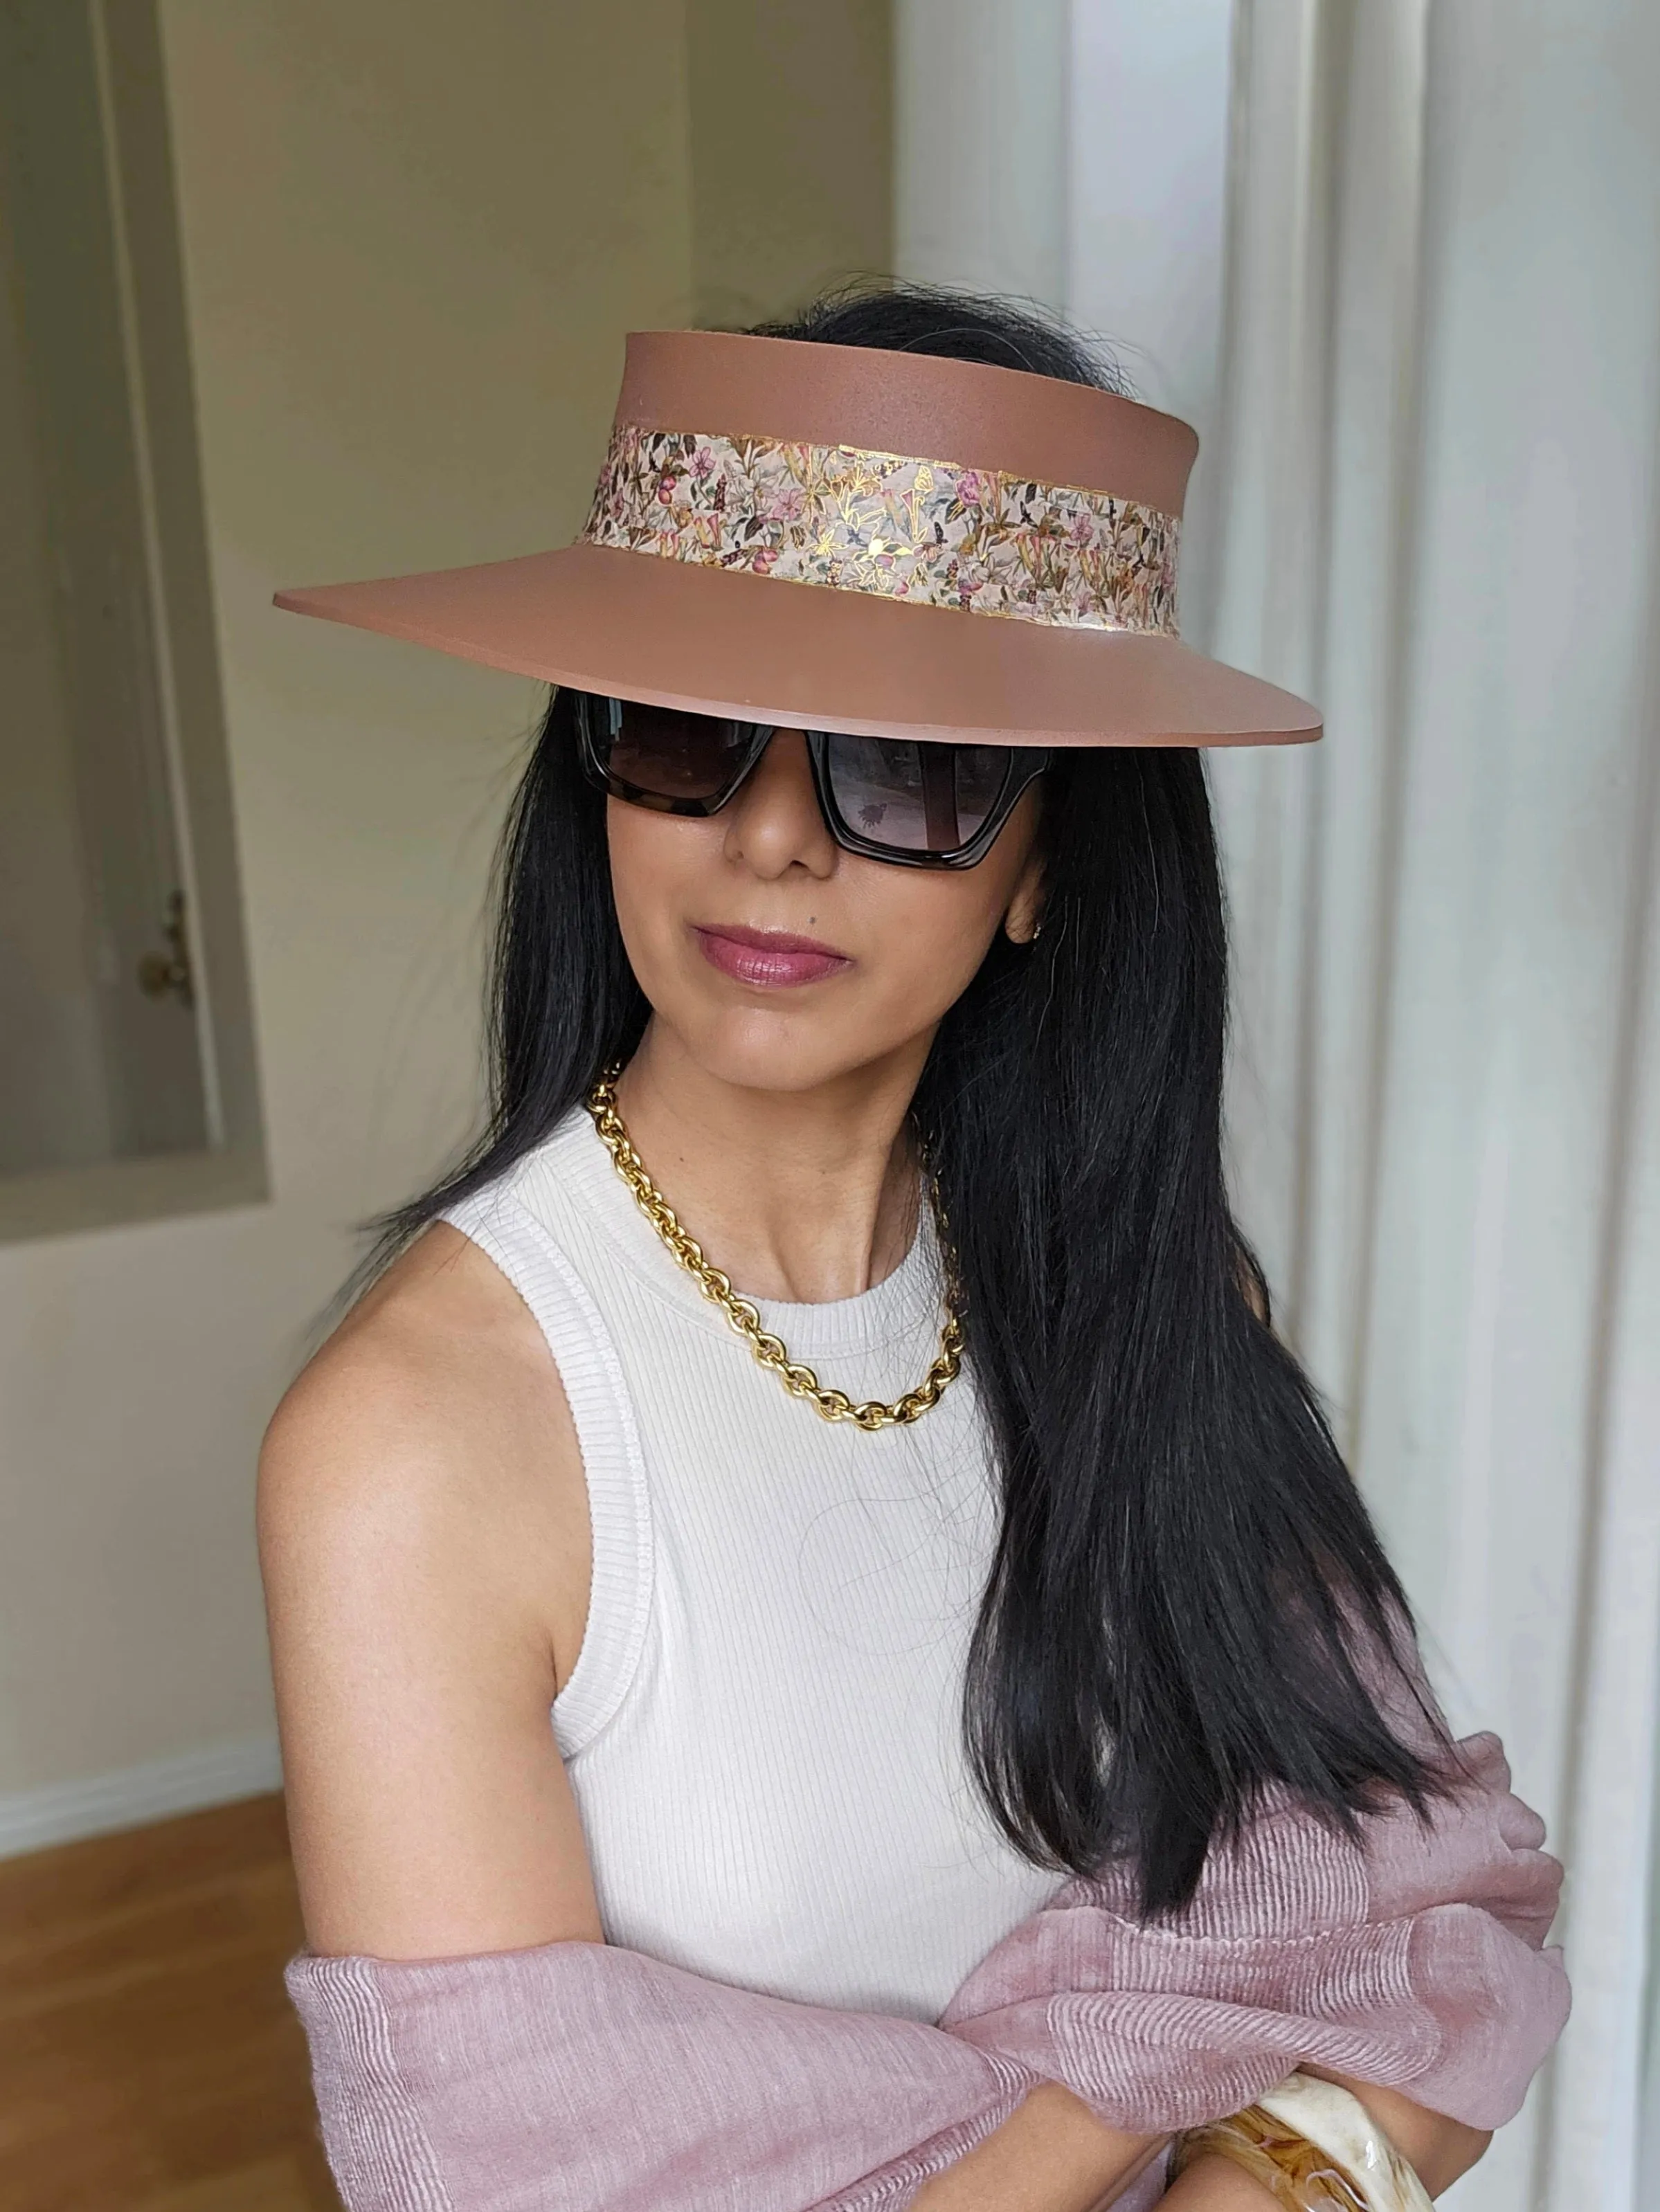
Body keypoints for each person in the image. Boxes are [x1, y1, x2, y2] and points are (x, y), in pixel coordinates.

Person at [260, 287, 1566, 2212]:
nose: (773, 837)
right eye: (689, 732)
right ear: (593, 768)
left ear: (1050, 857)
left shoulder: (1153, 1302)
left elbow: (1431, 1904)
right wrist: (1131, 2081)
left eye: (912, 764)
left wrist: (1254, 2165)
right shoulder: (412, 1449)